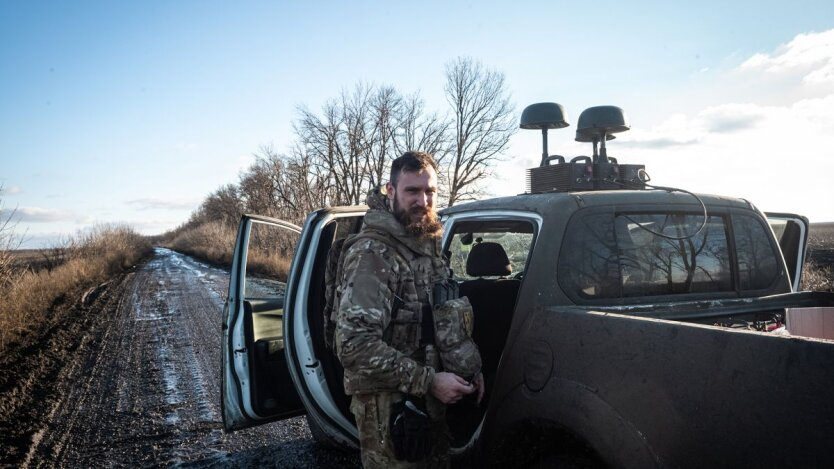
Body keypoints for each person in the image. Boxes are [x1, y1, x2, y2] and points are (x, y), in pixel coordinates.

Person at [335, 151, 484, 468]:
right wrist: (429, 381)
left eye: (429, 191)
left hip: (428, 401)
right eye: (412, 191)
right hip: (391, 409)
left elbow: (441, 319)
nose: (423, 201)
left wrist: (467, 369)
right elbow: (353, 345)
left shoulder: (426, 245)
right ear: (390, 192)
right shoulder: (373, 253)